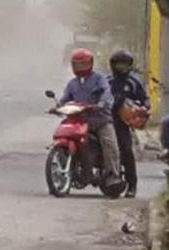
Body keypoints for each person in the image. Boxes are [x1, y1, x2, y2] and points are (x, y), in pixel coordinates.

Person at [58, 49, 125, 191]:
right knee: (65, 133)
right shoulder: (72, 84)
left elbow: (106, 93)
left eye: (83, 64)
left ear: (91, 64)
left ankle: (113, 175)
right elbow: (65, 99)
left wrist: (101, 104)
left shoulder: (100, 79)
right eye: (76, 65)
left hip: (100, 120)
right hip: (80, 121)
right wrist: (57, 107)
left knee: (109, 144)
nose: (79, 68)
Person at [108, 50, 150, 198]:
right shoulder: (107, 82)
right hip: (105, 120)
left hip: (123, 123)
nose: (121, 67)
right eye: (118, 64)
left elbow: (145, 99)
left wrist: (142, 108)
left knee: (126, 149)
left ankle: (132, 184)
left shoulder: (134, 82)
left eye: (124, 64)